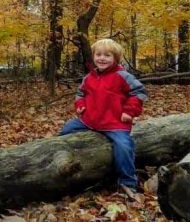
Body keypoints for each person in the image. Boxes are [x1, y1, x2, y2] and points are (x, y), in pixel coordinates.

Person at [59, 38, 147, 192]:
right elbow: (81, 93)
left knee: (124, 147)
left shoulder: (122, 76)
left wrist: (129, 111)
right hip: (90, 121)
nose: (102, 58)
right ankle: (68, 163)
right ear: (93, 57)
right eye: (98, 54)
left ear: (115, 58)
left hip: (115, 123)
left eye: (107, 55)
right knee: (67, 129)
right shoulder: (90, 77)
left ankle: (128, 182)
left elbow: (139, 92)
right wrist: (80, 105)